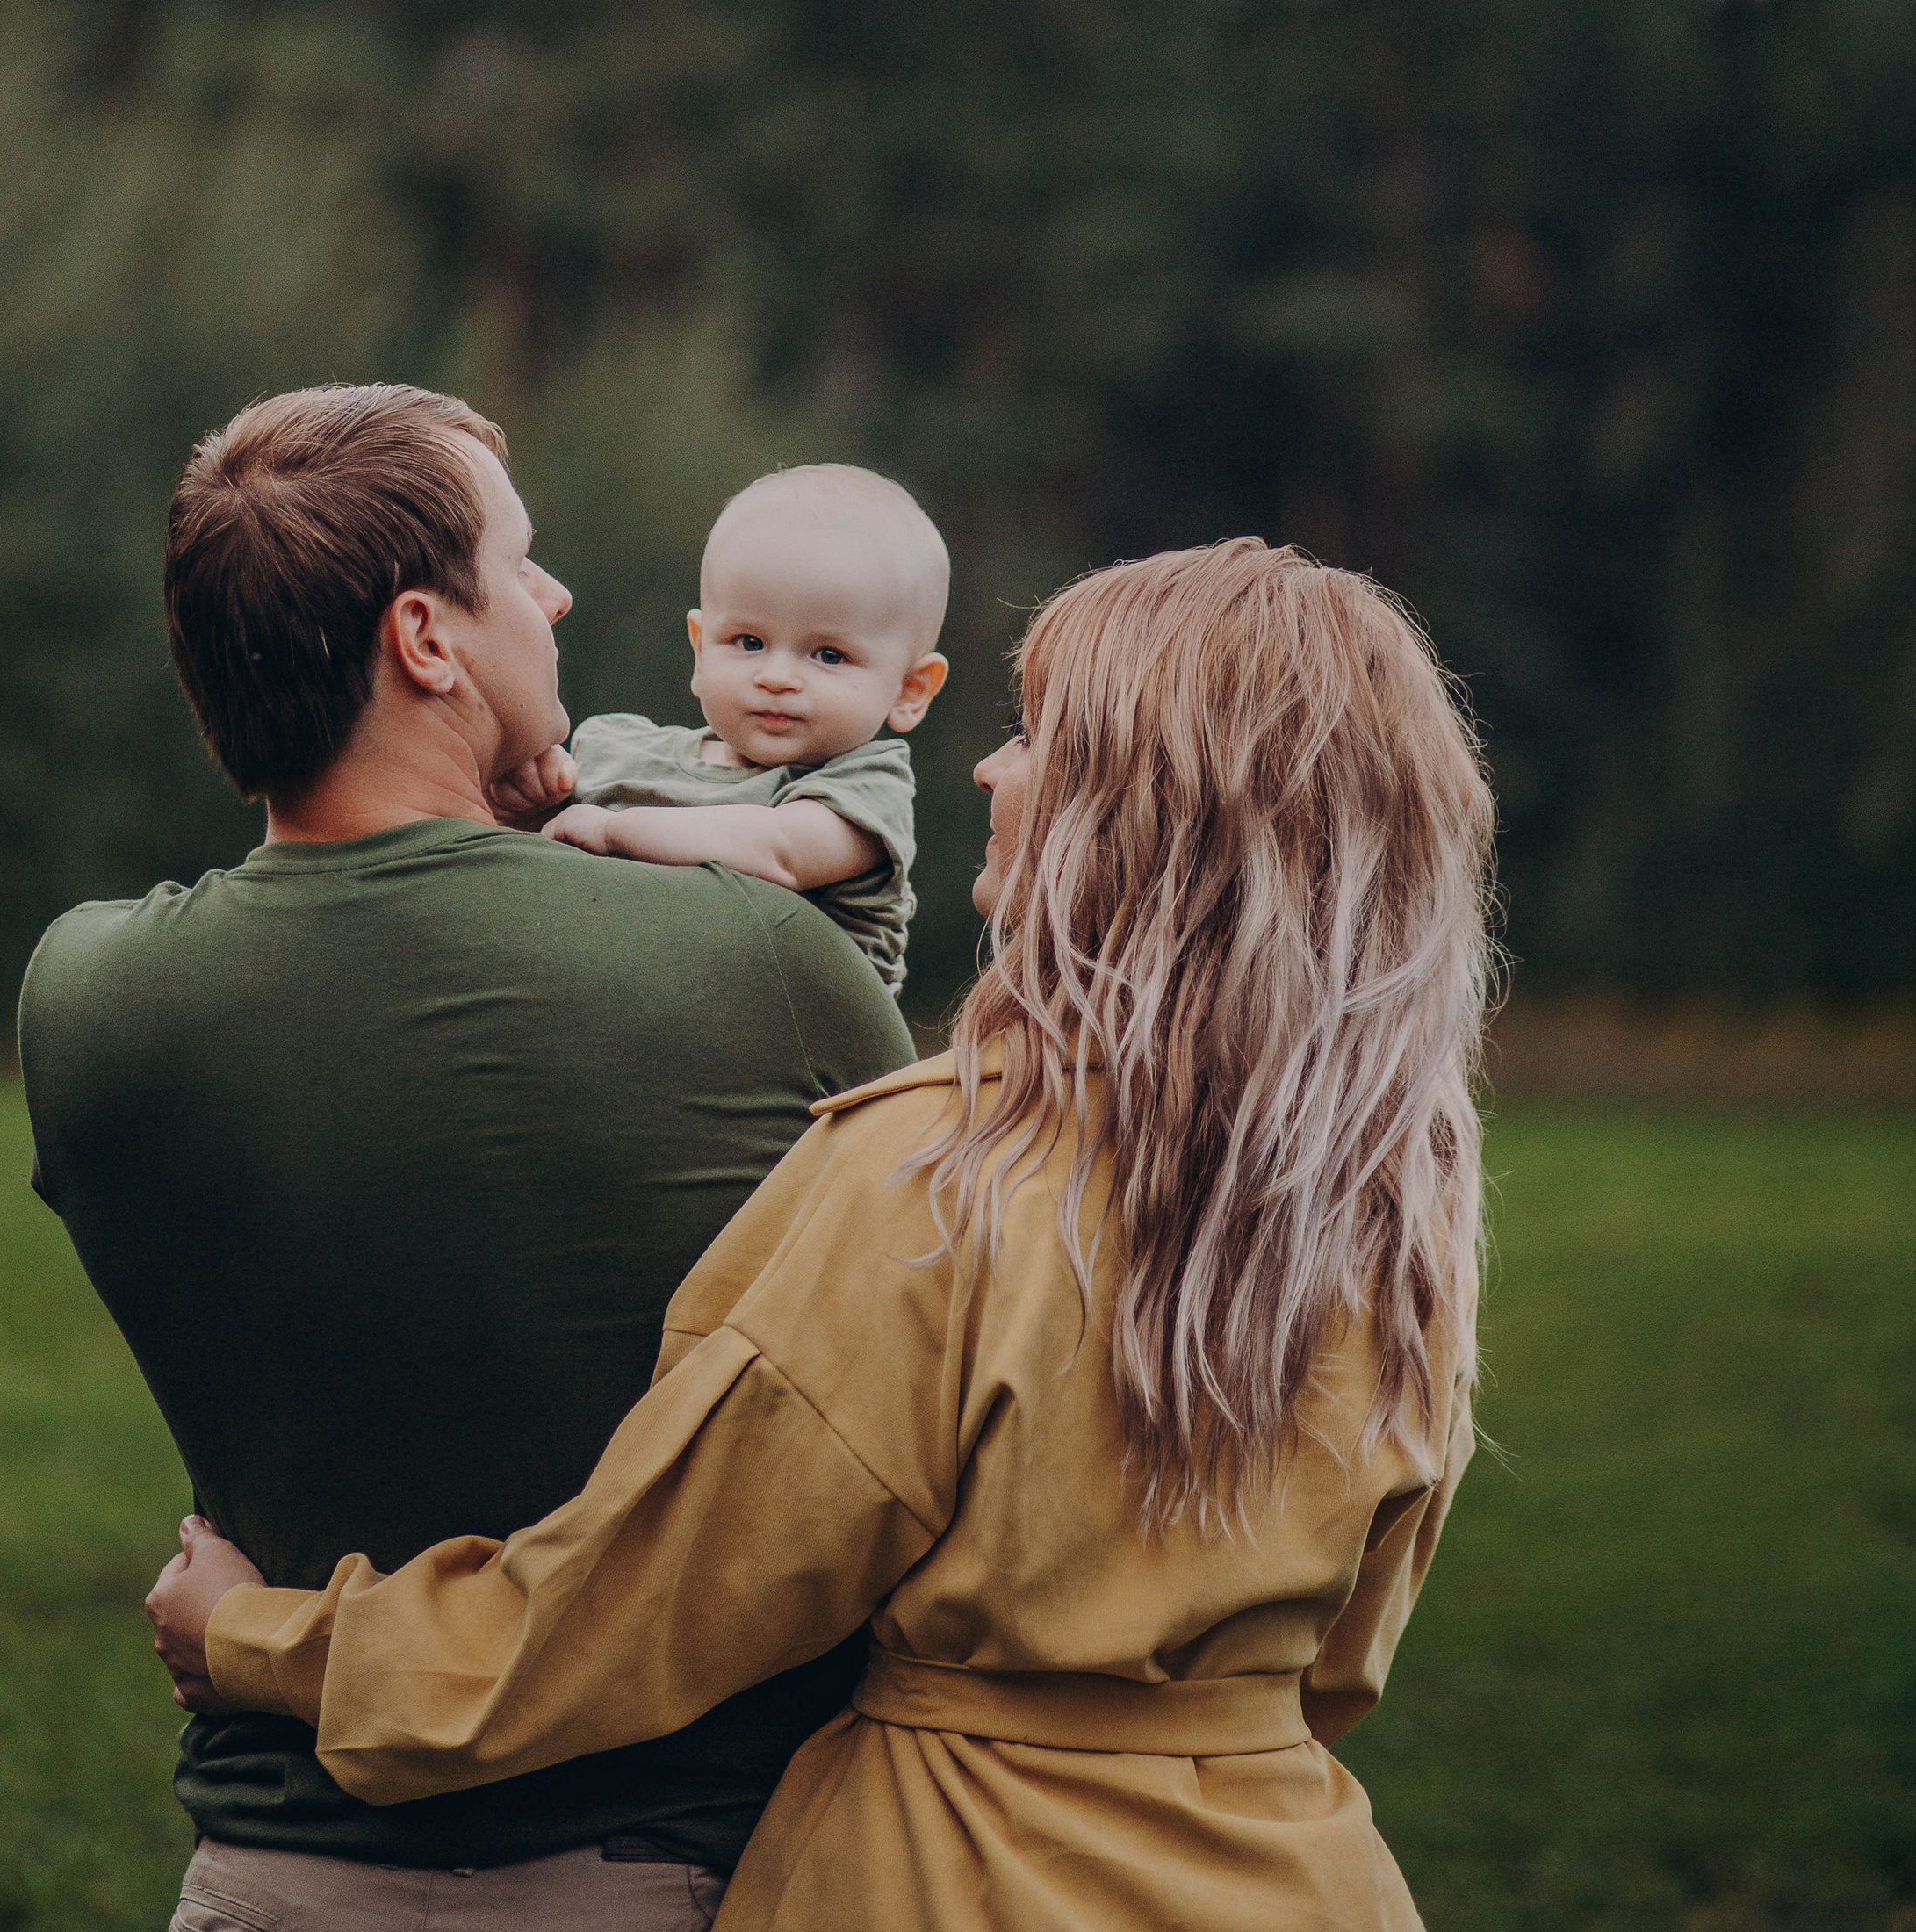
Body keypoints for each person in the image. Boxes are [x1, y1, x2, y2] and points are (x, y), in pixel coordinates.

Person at [149, 537, 1495, 1932]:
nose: (987, 771)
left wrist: (262, 1640)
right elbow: (1337, 1671)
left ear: (1153, 814)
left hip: (951, 1878)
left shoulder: (939, 1174)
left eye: (1041, 735)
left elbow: (631, 1612)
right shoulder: (1400, 1207)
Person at [20, 382, 912, 1932]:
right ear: (427, 641)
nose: (560, 598)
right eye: (522, 563)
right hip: (669, 1872)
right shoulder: (758, 955)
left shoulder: (87, 998)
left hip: (264, 1873)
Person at [536, 463, 950, 994]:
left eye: (829, 655)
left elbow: (779, 852)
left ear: (910, 690)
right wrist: (530, 801)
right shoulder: (617, 748)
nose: (776, 677)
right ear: (700, 651)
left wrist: (613, 831)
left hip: (816, 1064)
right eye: (748, 642)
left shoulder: (865, 788)